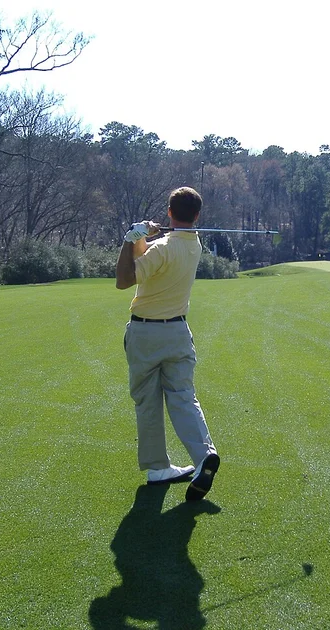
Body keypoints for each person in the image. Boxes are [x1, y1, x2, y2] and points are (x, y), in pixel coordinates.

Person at [115, 186, 219, 502]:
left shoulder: (161, 249)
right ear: (198, 215)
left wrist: (131, 238)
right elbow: (157, 255)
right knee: (183, 397)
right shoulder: (194, 245)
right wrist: (145, 240)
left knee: (147, 402)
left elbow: (123, 279)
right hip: (178, 333)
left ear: (170, 212)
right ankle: (204, 456)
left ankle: (157, 468)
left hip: (146, 334)